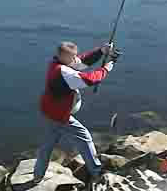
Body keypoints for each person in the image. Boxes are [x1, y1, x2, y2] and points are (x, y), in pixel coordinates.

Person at [33, 41, 115, 184]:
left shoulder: (56, 63)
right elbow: (89, 80)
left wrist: (101, 51)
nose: (75, 58)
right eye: (72, 57)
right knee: (84, 137)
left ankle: (37, 176)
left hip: (50, 111)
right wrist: (106, 69)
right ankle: (97, 172)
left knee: (47, 145)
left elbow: (82, 61)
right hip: (60, 116)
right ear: (63, 56)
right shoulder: (64, 72)